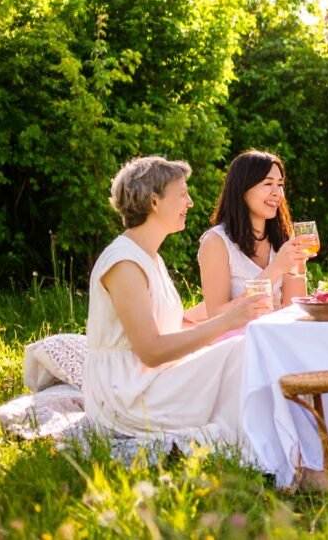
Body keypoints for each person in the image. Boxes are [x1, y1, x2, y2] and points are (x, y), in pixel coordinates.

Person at [84, 156, 272, 446]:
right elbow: (151, 351)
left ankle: (281, 445)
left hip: (153, 380)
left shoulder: (149, 258)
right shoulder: (124, 263)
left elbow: (169, 325)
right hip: (127, 395)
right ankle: (275, 451)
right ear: (154, 202)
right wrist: (226, 321)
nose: (190, 202)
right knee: (240, 352)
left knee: (247, 348)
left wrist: (231, 313)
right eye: (182, 194)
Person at [198, 150, 312, 318]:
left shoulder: (282, 237)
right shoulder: (216, 242)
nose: (277, 192)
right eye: (268, 184)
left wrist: (297, 268)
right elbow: (216, 316)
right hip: (237, 337)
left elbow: (294, 309)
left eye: (280, 184)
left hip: (274, 333)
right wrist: (276, 268)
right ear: (242, 189)